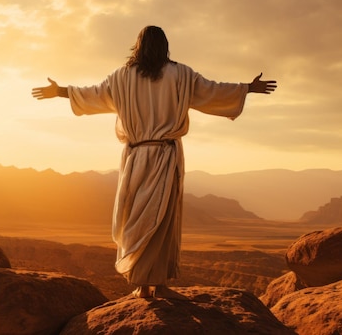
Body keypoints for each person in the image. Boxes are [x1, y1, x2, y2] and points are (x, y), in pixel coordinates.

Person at [32, 25, 277, 300]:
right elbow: (213, 91)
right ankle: (155, 284)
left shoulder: (122, 77)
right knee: (161, 219)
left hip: (136, 157)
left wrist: (60, 91)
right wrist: (248, 88)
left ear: (137, 45)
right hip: (164, 155)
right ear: (164, 46)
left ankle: (142, 284)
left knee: (136, 217)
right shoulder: (180, 74)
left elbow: (92, 94)